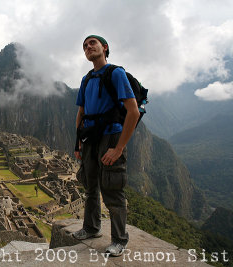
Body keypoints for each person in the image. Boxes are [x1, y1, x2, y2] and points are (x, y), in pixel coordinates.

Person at [73, 35, 140, 257]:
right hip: (90, 138)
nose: (88, 47)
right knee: (90, 184)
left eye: (92, 43)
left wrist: (119, 148)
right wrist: (78, 143)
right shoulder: (86, 79)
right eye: (85, 46)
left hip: (111, 136)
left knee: (112, 188)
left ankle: (119, 240)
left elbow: (133, 111)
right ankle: (91, 228)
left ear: (105, 47)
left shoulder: (116, 73)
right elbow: (80, 113)